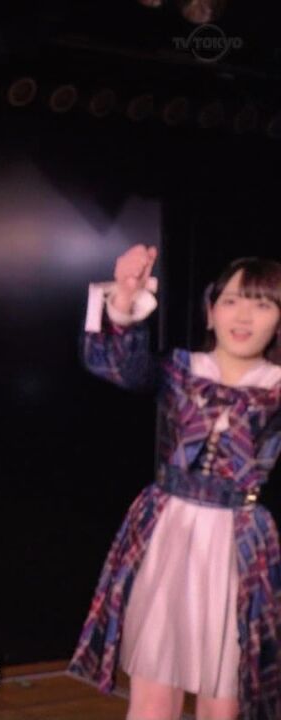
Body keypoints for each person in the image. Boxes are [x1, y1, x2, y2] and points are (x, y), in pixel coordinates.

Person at [68, 244, 281, 720]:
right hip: (167, 531)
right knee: (152, 698)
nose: (243, 315)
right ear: (210, 311)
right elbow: (112, 363)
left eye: (262, 304)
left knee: (224, 703)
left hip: (239, 543)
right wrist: (125, 297)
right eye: (231, 300)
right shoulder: (180, 370)